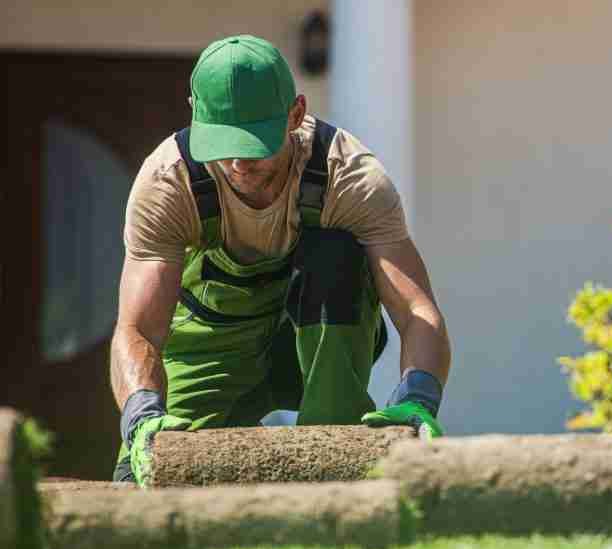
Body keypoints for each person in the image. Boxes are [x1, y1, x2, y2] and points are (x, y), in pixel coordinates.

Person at [110, 35, 451, 485]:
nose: (237, 162)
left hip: (321, 342)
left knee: (336, 255)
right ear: (194, 110)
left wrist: (419, 398)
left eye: (254, 143)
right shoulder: (167, 184)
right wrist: (141, 413)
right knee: (142, 477)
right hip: (209, 346)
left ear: (296, 114)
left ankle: (336, 440)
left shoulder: (349, 177)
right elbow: (137, 329)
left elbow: (416, 310)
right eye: (222, 142)